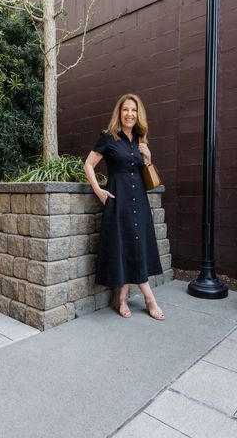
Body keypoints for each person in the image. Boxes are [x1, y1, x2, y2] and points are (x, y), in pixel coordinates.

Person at [84, 93, 165, 320]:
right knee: (124, 245)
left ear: (138, 114)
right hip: (118, 201)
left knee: (136, 245)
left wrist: (148, 158)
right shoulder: (108, 137)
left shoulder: (141, 138)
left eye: (134, 110)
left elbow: (145, 172)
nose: (130, 114)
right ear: (119, 113)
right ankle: (149, 299)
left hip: (139, 200)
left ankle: (122, 296)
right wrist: (98, 190)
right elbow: (89, 165)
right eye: (126, 109)